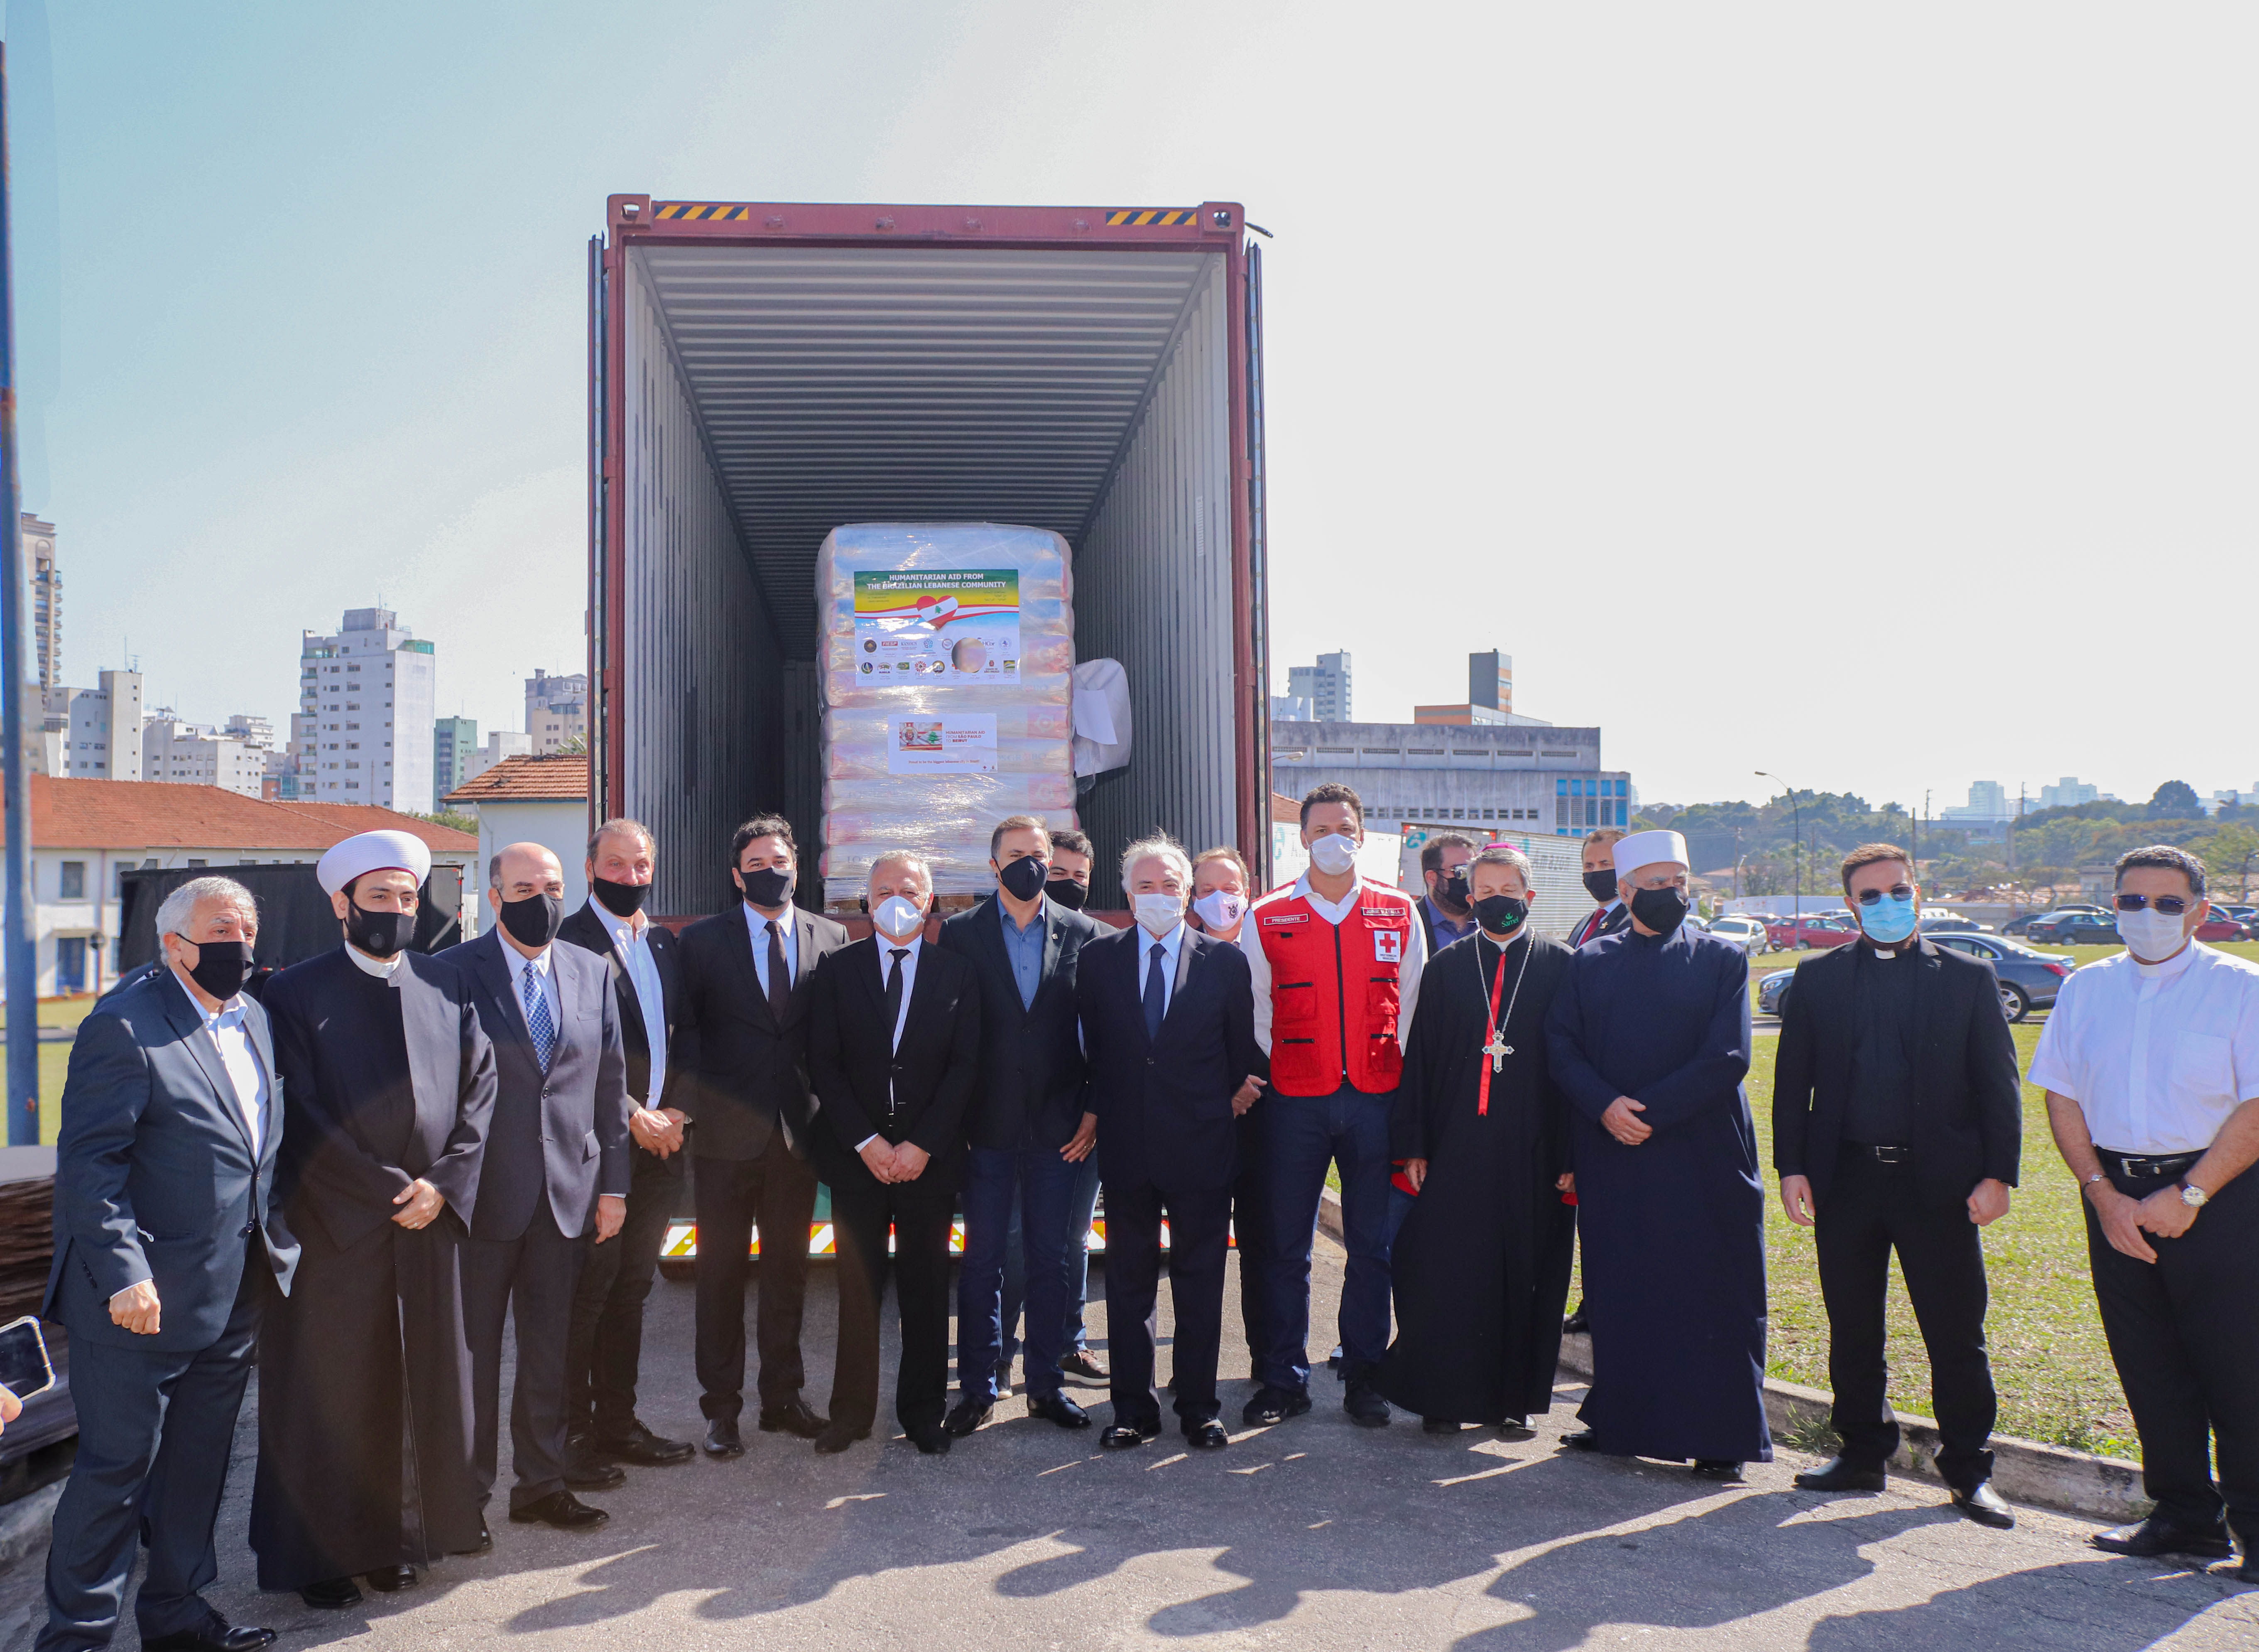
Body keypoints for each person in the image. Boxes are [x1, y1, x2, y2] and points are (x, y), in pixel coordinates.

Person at [41, 877, 296, 1652]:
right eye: (223, 927)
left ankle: (178, 1615)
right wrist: (125, 1273)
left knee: (197, 1466)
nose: (242, 941)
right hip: (138, 1303)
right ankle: (76, 1637)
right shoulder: (122, 1025)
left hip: (233, 1288)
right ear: (174, 944)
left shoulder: (252, 1015)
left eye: (249, 925)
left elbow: (255, 1154)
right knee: (116, 1474)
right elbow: (90, 1165)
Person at [252, 831, 495, 1608]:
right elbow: (301, 1114)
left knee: (416, 1389)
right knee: (333, 1392)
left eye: (406, 896)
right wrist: (388, 1188)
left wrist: (443, 1184)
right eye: (379, 896)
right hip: (338, 1233)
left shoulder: (446, 985)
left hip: (428, 1228)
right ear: (342, 904)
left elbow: (480, 1096)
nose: (396, 909)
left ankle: (400, 1539)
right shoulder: (292, 994)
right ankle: (321, 1556)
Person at [1773, 843, 2020, 1527]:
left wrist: (2000, 1173)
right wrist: (1792, 1165)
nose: (1888, 904)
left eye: (1898, 890)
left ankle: (1970, 1470)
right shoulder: (1816, 978)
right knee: (1853, 1325)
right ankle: (1860, 1452)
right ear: (1850, 903)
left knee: (1954, 1330)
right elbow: (1794, 1085)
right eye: (1872, 895)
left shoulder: (1968, 977)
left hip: (1938, 1184)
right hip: (1845, 1178)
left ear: (1919, 890)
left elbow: (2001, 1088)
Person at [2033, 844, 2259, 1579]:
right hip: (2116, 1199)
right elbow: (2061, 1094)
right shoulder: (2087, 987)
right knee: (2150, 1365)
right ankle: (2185, 1517)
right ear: (2115, 907)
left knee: (2239, 1367)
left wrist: (2189, 1193)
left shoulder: (2241, 987)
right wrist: (2102, 1193)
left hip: (2219, 1198)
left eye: (2167, 903)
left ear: (2200, 909)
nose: (2149, 916)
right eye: (2133, 901)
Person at [1544, 827, 1769, 1480]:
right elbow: (1561, 1047)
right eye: (1656, 884)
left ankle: (1721, 1436)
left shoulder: (1723, 960)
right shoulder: (1589, 961)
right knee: (1625, 1289)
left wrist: (1645, 1112)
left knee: (1714, 1291)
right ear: (1625, 891)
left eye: (1679, 883)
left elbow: (1728, 1056)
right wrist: (1606, 1107)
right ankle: (1625, 1421)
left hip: (1704, 1153)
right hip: (1616, 1153)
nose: (1671, 894)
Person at [446, 842, 631, 1533]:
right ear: (494, 897)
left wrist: (615, 1187)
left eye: (552, 884)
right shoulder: (453, 972)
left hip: (568, 1197)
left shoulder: (591, 969)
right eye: (525, 885)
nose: (541, 896)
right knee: (472, 1357)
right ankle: (462, 1499)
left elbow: (609, 1088)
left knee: (550, 1351)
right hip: (481, 1202)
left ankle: (542, 1484)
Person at [1375, 846, 1575, 1438]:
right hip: (1456, 1142)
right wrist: (1413, 1143)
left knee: (1527, 1269)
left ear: (1529, 895)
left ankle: (1513, 1399)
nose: (1496, 900)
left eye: (1507, 889)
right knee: (1446, 1268)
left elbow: (1575, 1068)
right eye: (1484, 891)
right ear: (1470, 898)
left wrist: (1570, 1155)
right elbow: (1421, 1064)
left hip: (1534, 1149)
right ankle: (1441, 1394)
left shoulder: (1563, 966)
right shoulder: (1447, 966)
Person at [1242, 782, 1424, 1429]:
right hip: (1295, 1100)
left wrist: (1402, 1094)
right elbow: (1257, 1011)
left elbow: (1413, 1008)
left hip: (1377, 1099)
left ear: (1363, 833)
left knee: (1372, 1246)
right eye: (1321, 828)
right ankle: (1284, 1378)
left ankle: (1364, 1373)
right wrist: (1281, 1073)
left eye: (1344, 826)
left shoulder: (1398, 910)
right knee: (1287, 1247)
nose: (1333, 838)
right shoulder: (1266, 914)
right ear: (1303, 838)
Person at [1076, 836, 1261, 1450]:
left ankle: (1200, 1406)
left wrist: (1228, 1100)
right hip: (1129, 1149)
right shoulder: (1098, 960)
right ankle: (1132, 1408)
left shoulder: (1224, 963)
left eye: (1172, 886)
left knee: (1200, 1283)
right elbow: (1095, 1054)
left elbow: (1240, 1054)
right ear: (1128, 893)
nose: (1160, 896)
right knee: (1129, 1286)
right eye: (1147, 886)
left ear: (1190, 893)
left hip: (1203, 1150)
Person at [673, 816, 850, 1456]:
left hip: (795, 1138)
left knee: (787, 1274)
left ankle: (783, 1398)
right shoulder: (700, 942)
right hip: (724, 1139)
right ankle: (721, 1410)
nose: (768, 871)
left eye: (778, 860)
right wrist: (685, 1110)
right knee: (718, 1277)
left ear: (797, 867)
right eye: (755, 863)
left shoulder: (828, 935)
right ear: (736, 874)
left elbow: (834, 1038)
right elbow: (685, 1034)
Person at [804, 852, 981, 1454]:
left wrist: (922, 1143)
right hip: (857, 1158)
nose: (898, 898)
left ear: (931, 902)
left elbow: (965, 1067)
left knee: (927, 1290)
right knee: (857, 1290)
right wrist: (868, 1141)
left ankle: (923, 1411)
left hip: (927, 1162)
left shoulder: (957, 973)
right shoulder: (837, 969)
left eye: (910, 889)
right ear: (867, 900)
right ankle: (850, 1414)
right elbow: (823, 1064)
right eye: (885, 889)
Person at [939, 816, 1106, 1437]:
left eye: (1038, 854)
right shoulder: (958, 935)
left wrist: (1093, 1110)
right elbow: (949, 1034)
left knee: (1049, 1258)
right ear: (993, 865)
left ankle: (1045, 1386)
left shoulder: (1085, 933)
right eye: (1017, 855)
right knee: (984, 1259)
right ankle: (980, 1387)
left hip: (1060, 1128)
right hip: (986, 1127)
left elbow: (1102, 1035)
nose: (1030, 865)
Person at [559, 819, 695, 1475]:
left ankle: (618, 1423)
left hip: (662, 1148)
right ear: (590, 869)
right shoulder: (566, 942)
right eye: (616, 865)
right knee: (588, 1293)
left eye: (641, 865)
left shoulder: (663, 944)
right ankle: (570, 1438)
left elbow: (690, 1037)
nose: (630, 877)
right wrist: (636, 1114)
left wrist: (676, 1112)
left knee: (632, 1289)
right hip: (599, 1148)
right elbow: (563, 1057)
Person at [1189, 846, 1272, 1368]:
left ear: (1248, 890)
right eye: (1207, 890)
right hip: (1203, 1120)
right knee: (1201, 1253)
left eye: (1230, 888)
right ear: (1193, 899)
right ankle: (1198, 1372)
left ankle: (1269, 1365)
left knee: (1267, 1248)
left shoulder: (1272, 947)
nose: (1221, 899)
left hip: (1267, 1115)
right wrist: (1221, 1097)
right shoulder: (1180, 953)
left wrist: (1251, 1086)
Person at [1041, 828, 1108, 1384]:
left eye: (1078, 878)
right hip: (1028, 1117)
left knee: (1073, 1235)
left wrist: (1094, 1111)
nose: (1068, 885)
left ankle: (1070, 1341)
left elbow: (1116, 1043)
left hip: (1088, 1118)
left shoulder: (1107, 944)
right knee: (1016, 1239)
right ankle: (998, 1348)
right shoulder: (1016, 938)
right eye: (1057, 873)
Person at [1414, 831, 1479, 958]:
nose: (1470, 880)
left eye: (1474, 871)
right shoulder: (1409, 924)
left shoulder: (1489, 924)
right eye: (1461, 872)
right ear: (1432, 878)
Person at [1566, 828, 1629, 949]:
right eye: (1589, 866)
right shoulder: (1584, 923)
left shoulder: (1634, 923)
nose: (1596, 872)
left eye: (1605, 864)